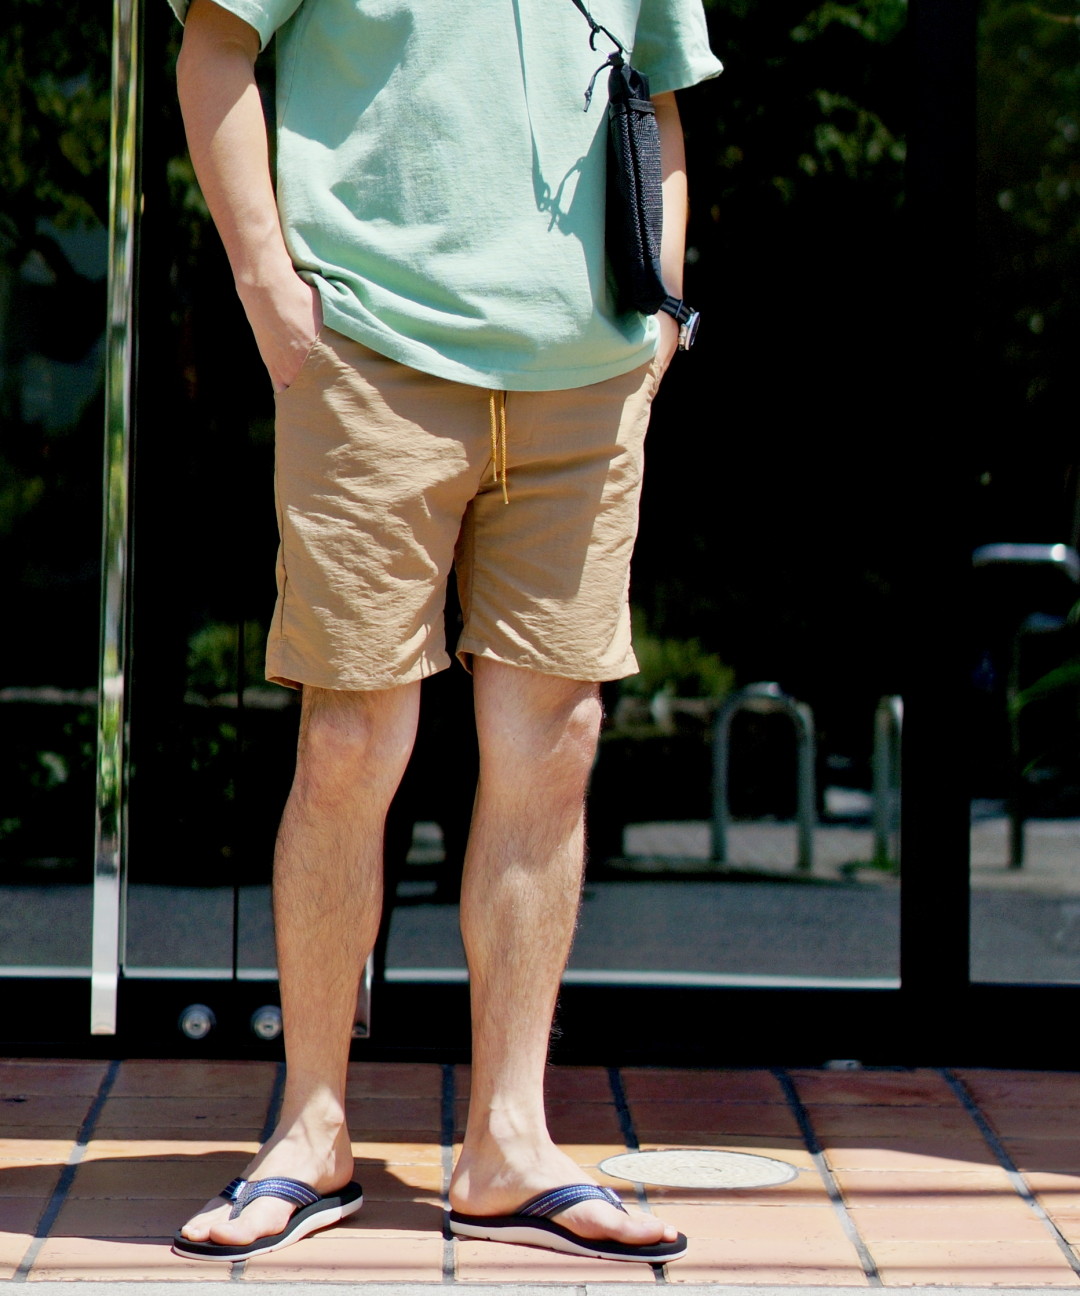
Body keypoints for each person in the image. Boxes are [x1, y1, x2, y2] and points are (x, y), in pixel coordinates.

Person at [168, 0, 720, 1265]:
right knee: (352, 739)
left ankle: (507, 1144)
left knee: (556, 742)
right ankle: (311, 1131)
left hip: (585, 378)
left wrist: (661, 317)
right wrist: (267, 287)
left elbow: (658, 97)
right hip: (372, 352)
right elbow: (215, 46)